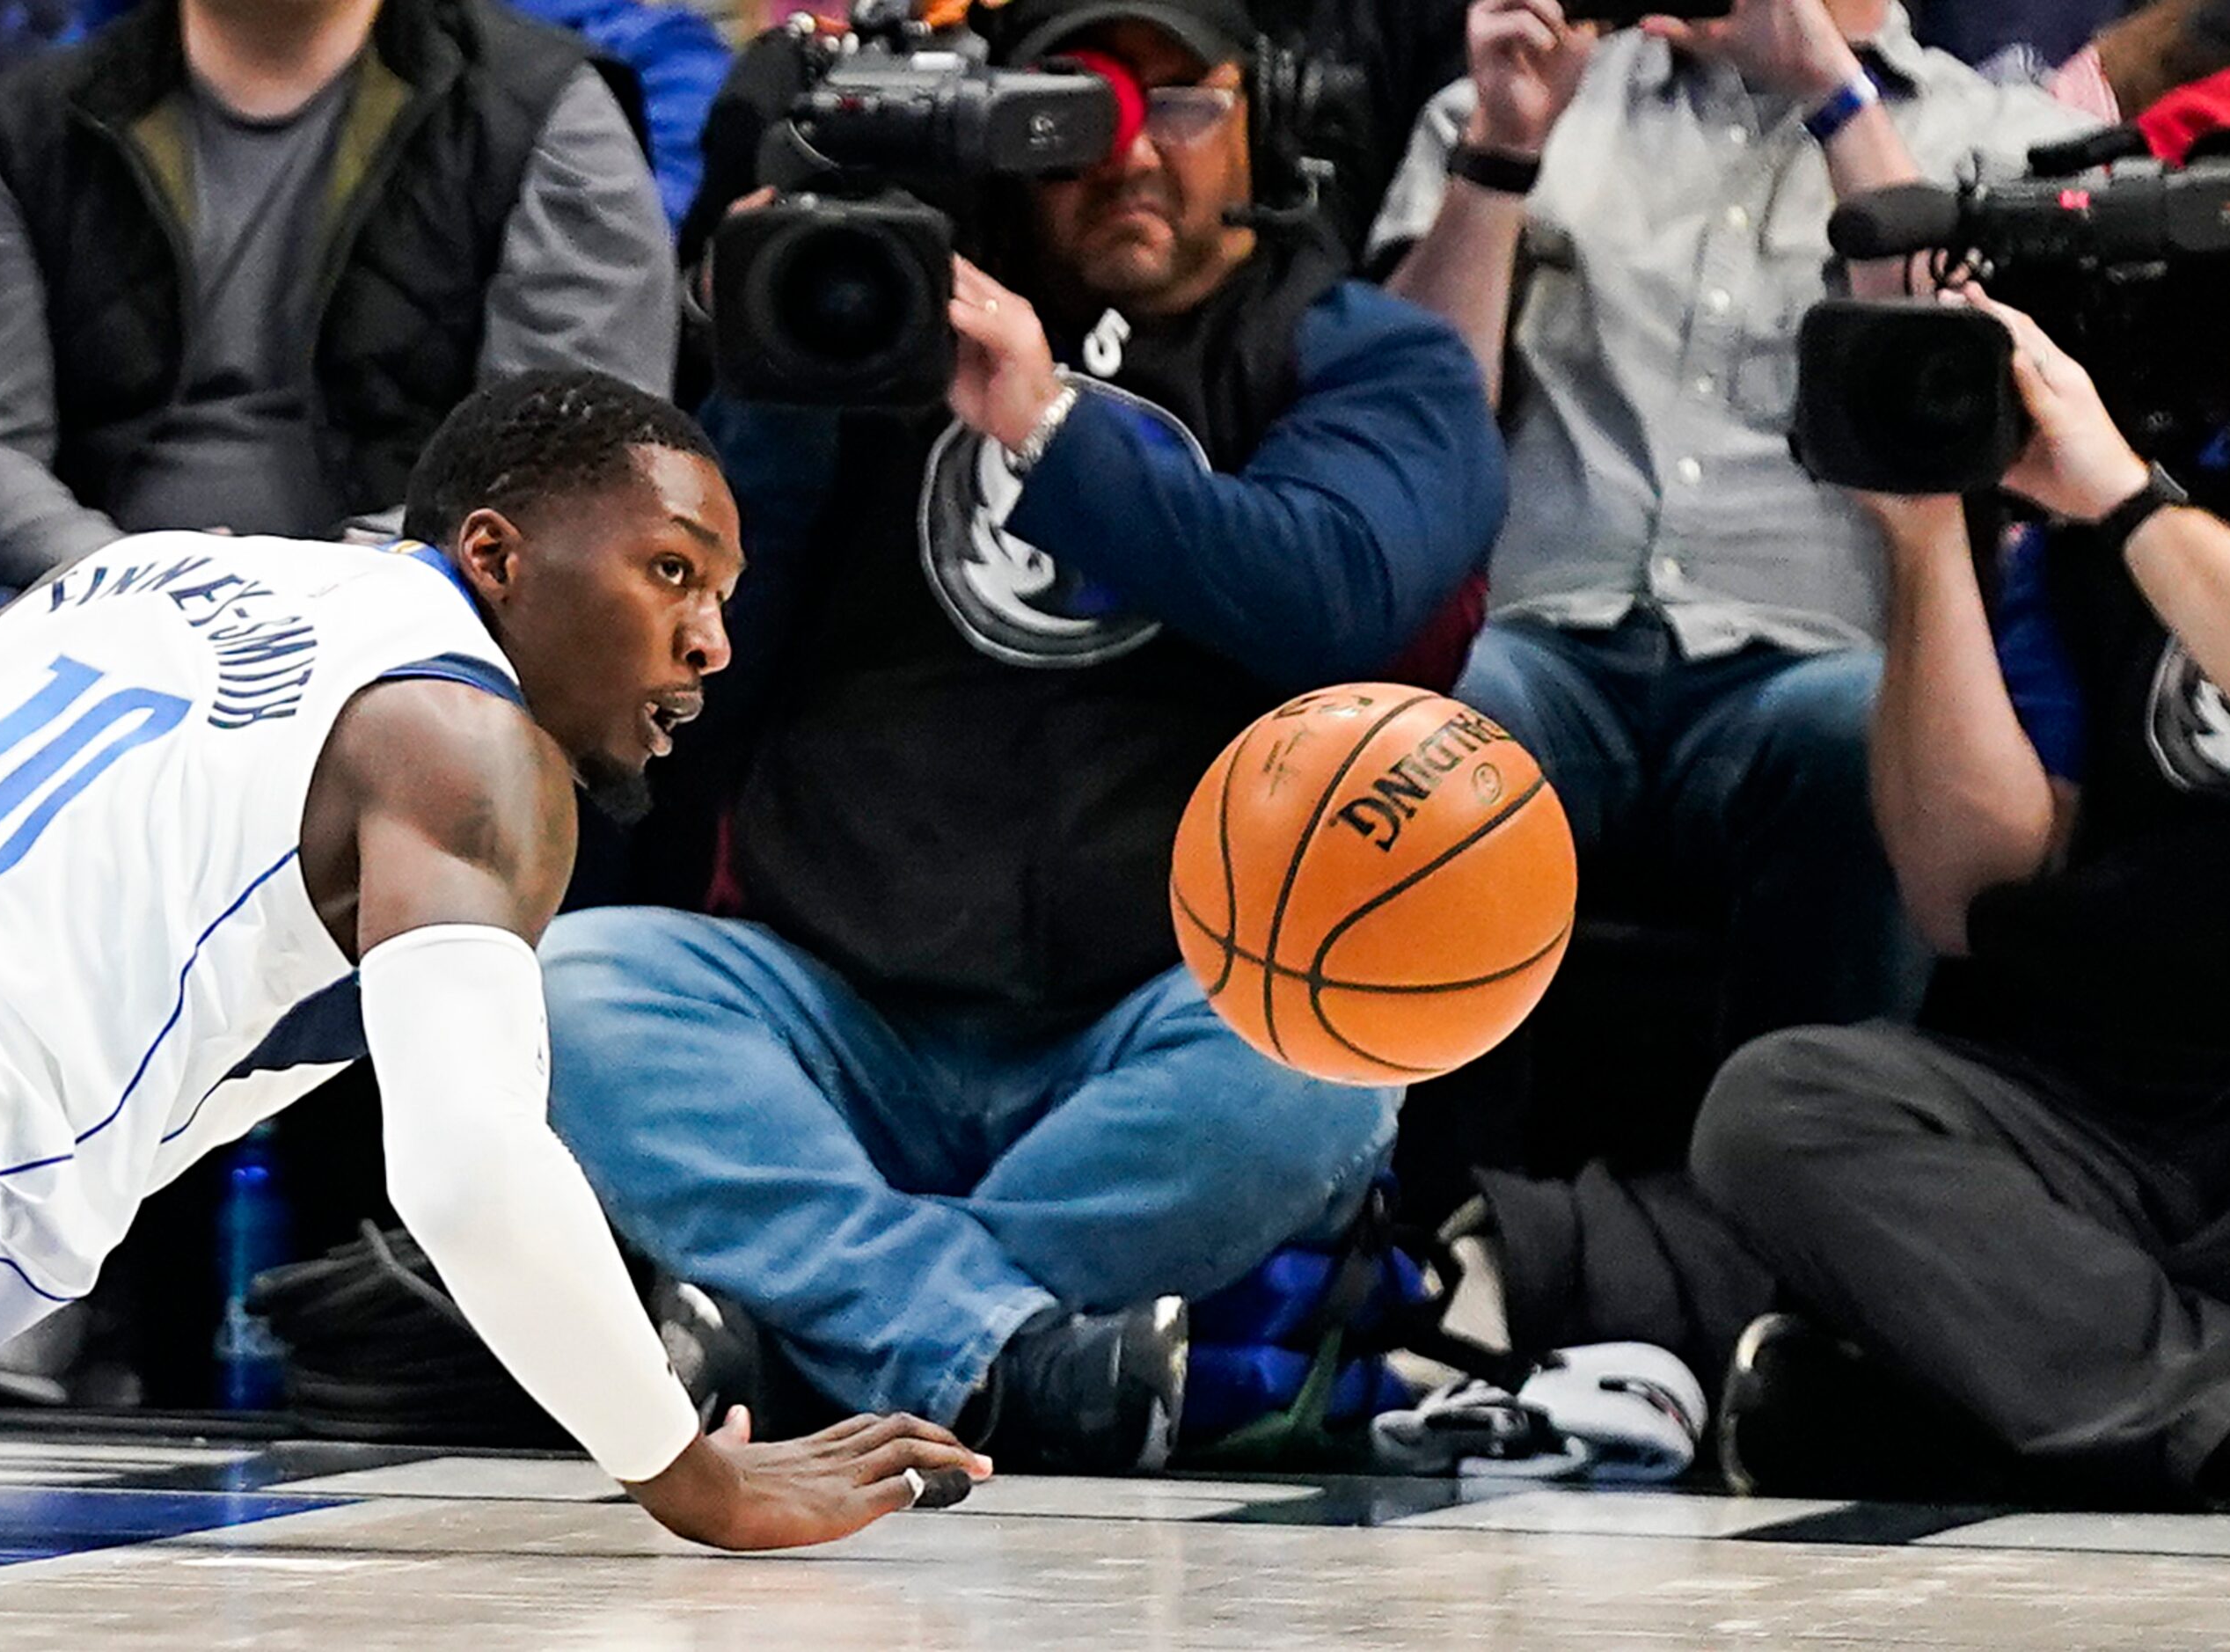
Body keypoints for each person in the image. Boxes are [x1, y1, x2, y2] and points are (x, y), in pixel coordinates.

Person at [0, 369, 991, 1549]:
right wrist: (692, 1477)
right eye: (672, 571)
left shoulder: (125, 570)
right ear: (497, 555)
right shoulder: (466, 741)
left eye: (723, 593)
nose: (712, 643)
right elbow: (471, 1170)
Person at [539, 0, 1508, 1472]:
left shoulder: (1369, 359)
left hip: (1150, 1009)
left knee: (1334, 1052)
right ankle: (999, 1355)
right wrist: (785, 362)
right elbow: (693, 676)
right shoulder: (867, 324)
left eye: (1174, 103)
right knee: (567, 988)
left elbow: (1337, 599)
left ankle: (821, 1328)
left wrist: (1051, 425)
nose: (1126, 155)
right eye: (1075, 113)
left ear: (1273, 115)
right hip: (835, 1005)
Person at [1431, 272, 2230, 1510]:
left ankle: (1985, 1397)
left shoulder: (2133, 496)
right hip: (2113, 1113)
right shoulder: (2137, 494)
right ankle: (2195, 1411)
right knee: (1784, 1102)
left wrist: (2130, 504)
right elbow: (1964, 888)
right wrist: (1923, 538)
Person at [1368, 0, 2090, 1066]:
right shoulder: (1511, 96)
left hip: (1809, 661)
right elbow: (1412, 421)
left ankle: (1789, 1190)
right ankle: (1429, 1204)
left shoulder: (2001, 136)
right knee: (1431, 735)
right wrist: (1506, 149)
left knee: (1857, 735)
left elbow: (1957, 404)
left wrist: (1834, 95)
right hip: (1539, 639)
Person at [0, 0, 679, 605]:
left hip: (421, 605)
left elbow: (570, 456)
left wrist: (332, 585)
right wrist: (129, 575)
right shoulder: (17, 134)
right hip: (86, 597)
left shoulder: (547, 114)